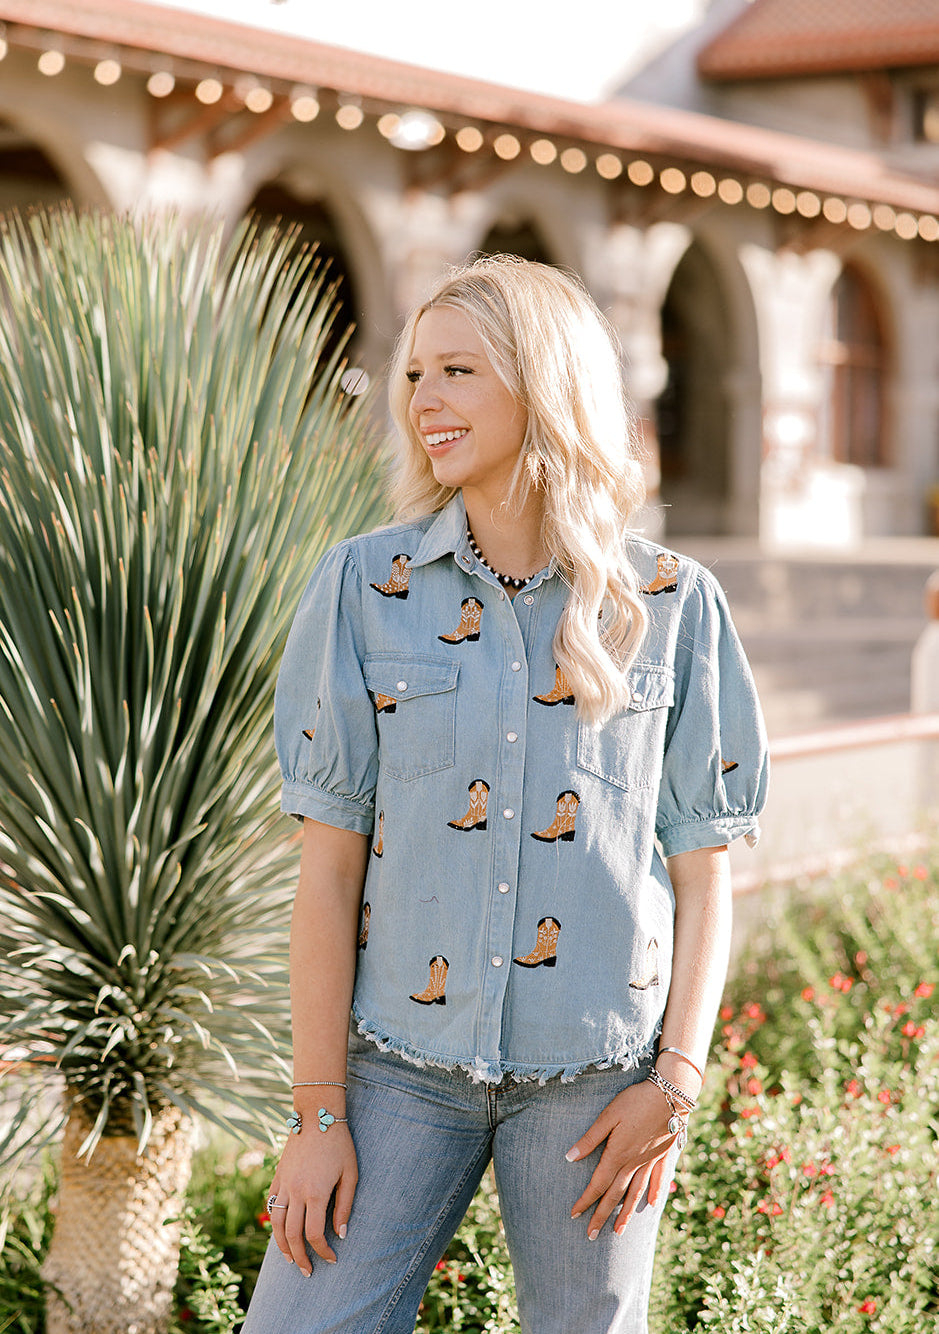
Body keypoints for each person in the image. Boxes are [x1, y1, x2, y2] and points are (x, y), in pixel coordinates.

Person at [242, 255, 768, 1334]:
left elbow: (702, 874)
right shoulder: (362, 587)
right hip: (398, 1070)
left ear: (543, 381)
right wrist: (316, 1114)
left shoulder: (672, 605)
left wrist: (672, 1083)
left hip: (597, 1082)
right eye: (414, 375)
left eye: (457, 371)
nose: (422, 400)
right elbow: (327, 873)